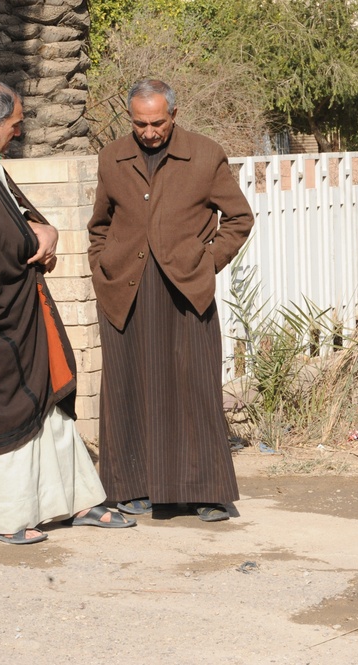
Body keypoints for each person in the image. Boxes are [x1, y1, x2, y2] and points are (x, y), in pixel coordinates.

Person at [0, 80, 136, 544]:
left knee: (48, 403)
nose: (18, 133)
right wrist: (37, 239)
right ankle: (7, 520)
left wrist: (42, 231)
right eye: (15, 125)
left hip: (21, 312)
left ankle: (74, 501)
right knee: (2, 416)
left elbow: (8, 219)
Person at [87, 79, 254, 521]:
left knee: (193, 386)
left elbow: (239, 218)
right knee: (129, 388)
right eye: (140, 123)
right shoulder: (112, 157)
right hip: (125, 288)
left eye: (157, 122)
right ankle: (131, 488)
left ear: (174, 115)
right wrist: (101, 266)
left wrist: (207, 261)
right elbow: (99, 224)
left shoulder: (205, 154)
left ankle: (205, 492)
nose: (149, 132)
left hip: (186, 290)